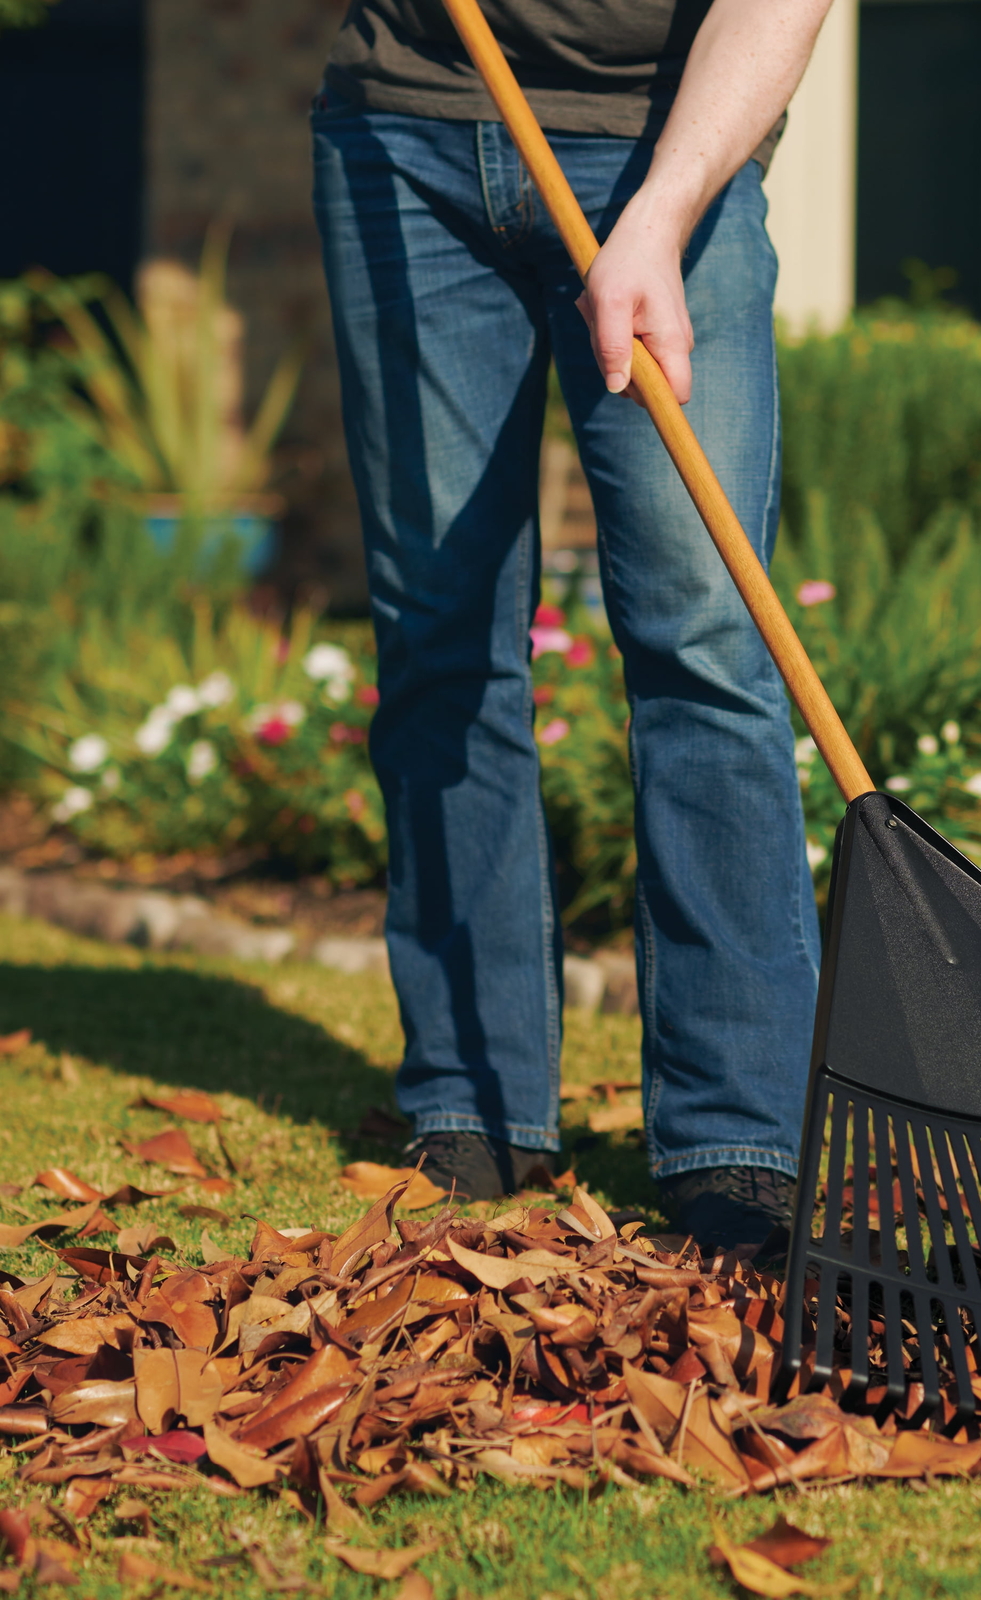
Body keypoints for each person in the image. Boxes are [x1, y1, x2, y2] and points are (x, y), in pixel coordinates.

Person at [311, 0, 833, 1250]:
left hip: (664, 142)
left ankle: (739, 1130)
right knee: (439, 636)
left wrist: (662, 211)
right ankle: (475, 1103)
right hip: (412, 125)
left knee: (706, 639)